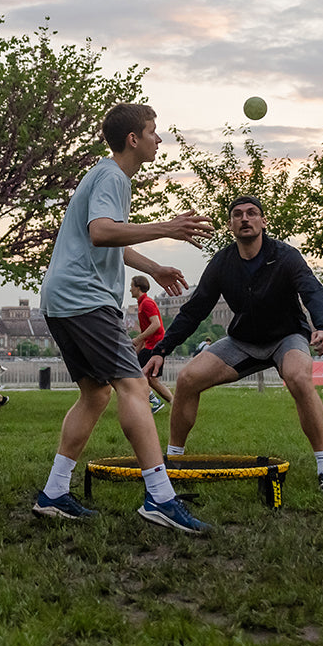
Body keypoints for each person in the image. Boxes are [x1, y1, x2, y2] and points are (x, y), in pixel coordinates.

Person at [32, 102, 216, 534]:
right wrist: (167, 226)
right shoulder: (113, 175)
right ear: (134, 139)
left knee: (95, 394)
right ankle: (160, 498)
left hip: (62, 299)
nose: (158, 139)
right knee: (133, 385)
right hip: (85, 299)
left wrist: (153, 268)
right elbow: (102, 231)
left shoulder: (106, 175)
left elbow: (108, 237)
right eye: (154, 131)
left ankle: (54, 493)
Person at [145, 196, 323, 494]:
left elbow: (312, 291)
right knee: (187, 379)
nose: (245, 219)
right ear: (231, 225)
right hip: (243, 342)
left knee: (300, 378)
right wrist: (162, 349)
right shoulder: (223, 263)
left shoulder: (286, 256)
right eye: (237, 215)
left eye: (252, 214)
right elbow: (195, 310)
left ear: (263, 222)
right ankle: (174, 462)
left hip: (286, 337)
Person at [129, 276, 173, 414]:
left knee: (136, 375)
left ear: (138, 287)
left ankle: (153, 403)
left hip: (154, 346)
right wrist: (136, 349)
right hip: (151, 345)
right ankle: (175, 404)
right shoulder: (142, 304)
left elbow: (156, 324)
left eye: (131, 286)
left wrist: (138, 339)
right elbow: (146, 330)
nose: (130, 289)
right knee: (152, 380)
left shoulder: (147, 303)